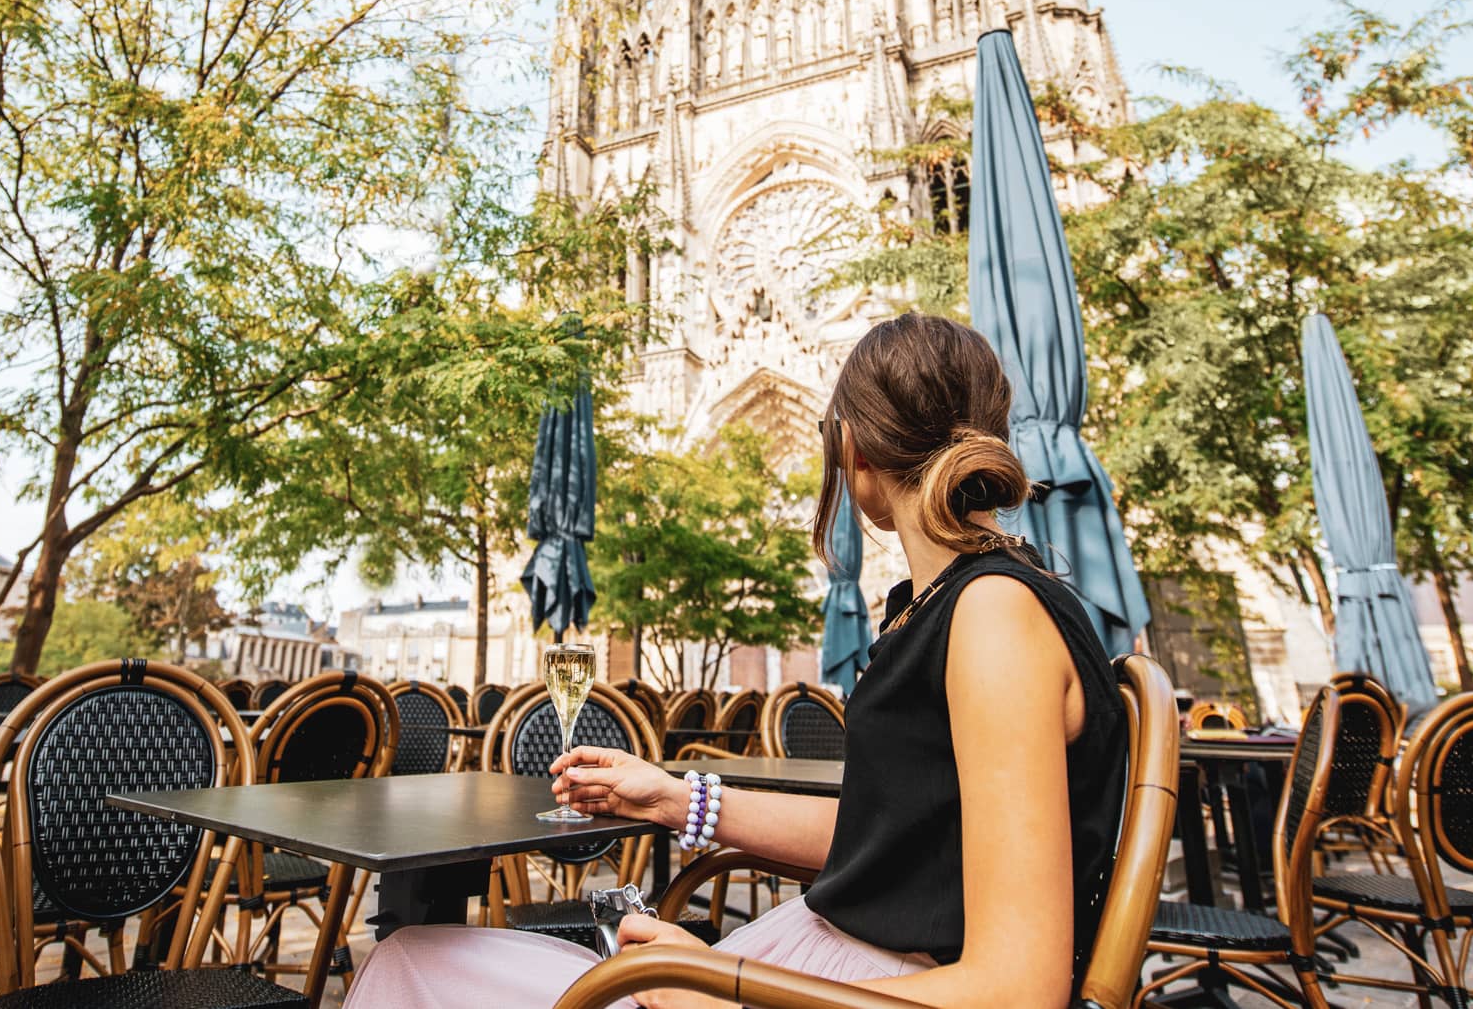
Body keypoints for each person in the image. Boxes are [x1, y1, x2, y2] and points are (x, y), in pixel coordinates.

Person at [343, 313, 1127, 1009]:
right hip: (813, 967)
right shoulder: (946, 606)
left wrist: (727, 993)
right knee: (415, 956)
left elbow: (1018, 990)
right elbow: (887, 836)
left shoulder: (994, 615)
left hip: (841, 989)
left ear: (850, 448)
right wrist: (673, 799)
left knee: (413, 967)